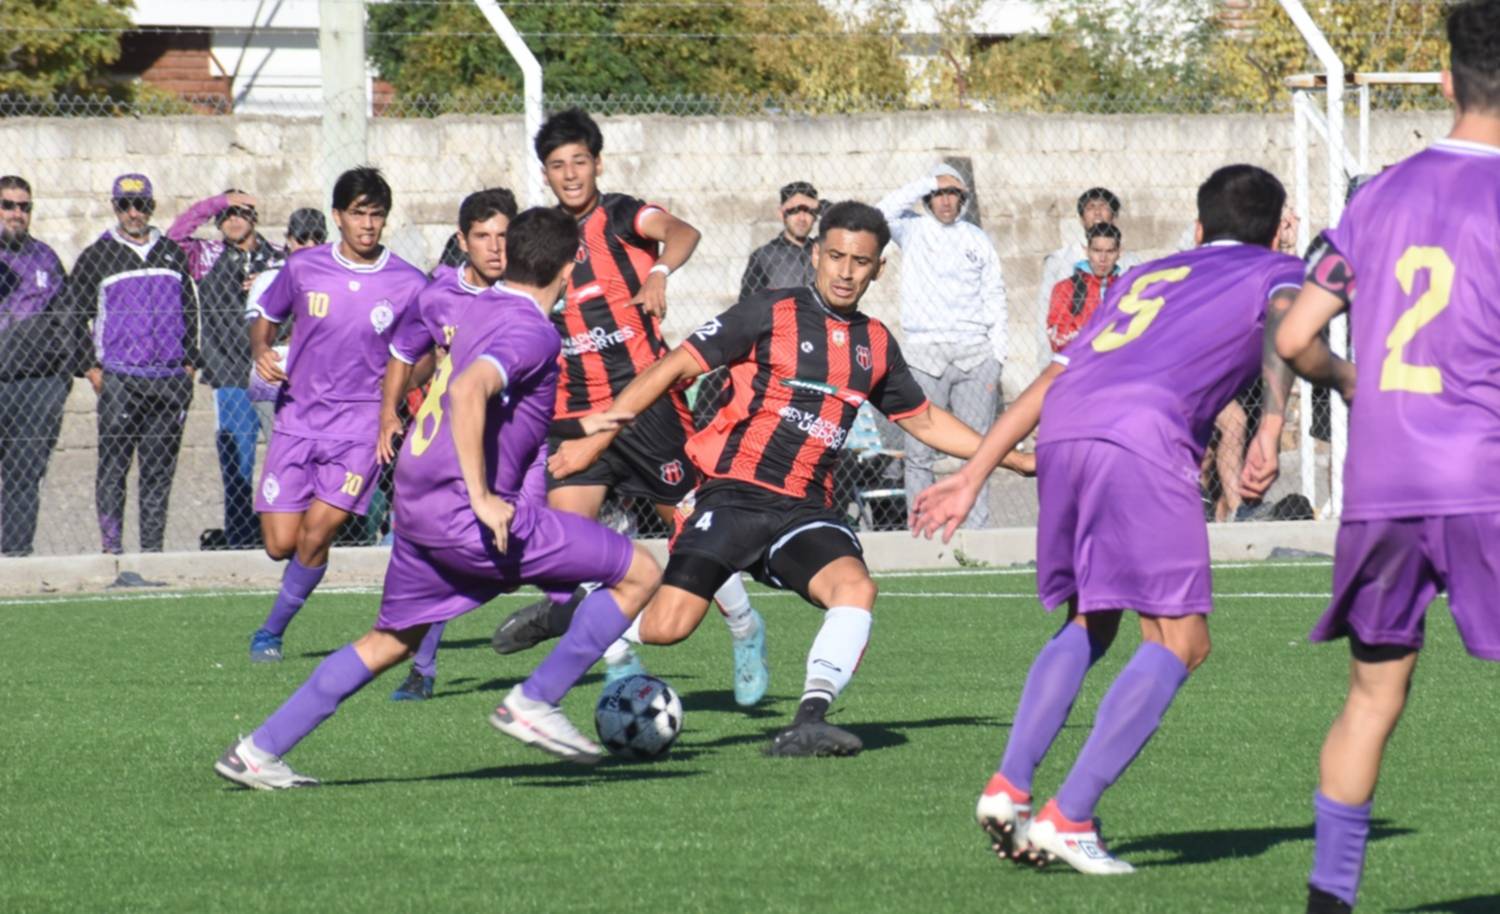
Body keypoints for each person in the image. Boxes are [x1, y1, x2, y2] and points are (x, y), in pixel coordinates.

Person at [912, 164, 1325, 874]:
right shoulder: (1276, 270)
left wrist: (975, 470)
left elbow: (1053, 375)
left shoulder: (1145, 277)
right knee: (1182, 640)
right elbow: (1291, 323)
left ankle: (1009, 786)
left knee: (1091, 617)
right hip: (1144, 436)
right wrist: (1269, 428)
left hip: (1068, 428)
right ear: (1275, 228)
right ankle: (1070, 817)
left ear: (1198, 227)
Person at [552, 201, 1029, 757]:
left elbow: (922, 420)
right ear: (816, 254)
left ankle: (809, 721)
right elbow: (673, 366)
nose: (846, 272)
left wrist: (1013, 458)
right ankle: (582, 612)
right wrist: (598, 436)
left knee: (855, 588)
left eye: (860, 262)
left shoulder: (875, 344)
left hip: (805, 510)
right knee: (668, 627)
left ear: (879, 269)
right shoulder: (768, 312)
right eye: (836, 256)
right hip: (732, 497)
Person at [215, 207, 661, 786]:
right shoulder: (534, 331)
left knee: (391, 641)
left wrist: (579, 424)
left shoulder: (483, 308)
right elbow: (470, 392)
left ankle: (258, 749)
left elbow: (490, 404)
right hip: (465, 515)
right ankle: (537, 700)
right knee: (640, 573)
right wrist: (482, 497)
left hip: (418, 508)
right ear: (571, 266)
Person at [1274, 4, 1500, 910]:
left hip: (1381, 485)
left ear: (1445, 81)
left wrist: (1352, 383)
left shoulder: (1377, 197)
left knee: (1371, 699)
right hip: (1483, 478)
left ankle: (1329, 900)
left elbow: (1294, 337)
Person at [489, 108, 770, 707]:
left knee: (694, 529)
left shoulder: (622, 216)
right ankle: (618, 660)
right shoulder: (539, 236)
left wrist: (660, 270)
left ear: (598, 164)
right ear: (545, 173)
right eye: (558, 165)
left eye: (579, 161)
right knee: (569, 542)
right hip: (577, 413)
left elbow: (682, 231)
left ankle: (746, 628)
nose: (570, 174)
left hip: (649, 407)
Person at [244, 167, 427, 663]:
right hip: (297, 419)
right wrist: (262, 350)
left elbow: (427, 354)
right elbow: (266, 319)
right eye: (358, 214)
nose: (367, 224)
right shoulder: (304, 268)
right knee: (280, 544)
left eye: (376, 215)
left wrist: (395, 394)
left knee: (318, 531)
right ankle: (295, 581)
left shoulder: (409, 283)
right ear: (337, 216)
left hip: (360, 429)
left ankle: (270, 632)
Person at [378, 186, 518, 701]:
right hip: (455, 449)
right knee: (443, 556)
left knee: (545, 547)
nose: (495, 248)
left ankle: (587, 635)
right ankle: (422, 666)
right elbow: (403, 351)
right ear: (463, 241)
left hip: (523, 442)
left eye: (504, 236)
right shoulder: (438, 295)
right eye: (483, 236)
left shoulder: (531, 291)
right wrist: (388, 415)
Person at [64, 173, 198, 554]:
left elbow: (191, 310)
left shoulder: (171, 252)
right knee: (114, 468)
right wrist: (91, 369)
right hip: (121, 380)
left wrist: (190, 363)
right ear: (115, 207)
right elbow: (74, 317)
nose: (134, 213)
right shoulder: (97, 256)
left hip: (168, 380)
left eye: (141, 205)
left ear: (151, 207)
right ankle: (112, 551)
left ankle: (152, 554)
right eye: (125, 205)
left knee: (158, 473)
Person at [877, 163, 1009, 529]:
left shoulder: (976, 238)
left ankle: (976, 534)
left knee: (977, 450)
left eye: (953, 193)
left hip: (975, 357)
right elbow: (878, 214)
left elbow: (995, 294)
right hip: (924, 356)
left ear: (963, 199)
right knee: (919, 453)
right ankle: (921, 530)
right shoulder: (912, 229)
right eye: (938, 194)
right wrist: (928, 181)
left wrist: (997, 356)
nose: (946, 201)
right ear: (927, 197)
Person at [173, 190, 283, 549]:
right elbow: (175, 237)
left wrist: (267, 284)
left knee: (286, 459)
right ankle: (240, 541)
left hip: (273, 375)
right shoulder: (207, 255)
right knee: (237, 466)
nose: (233, 220)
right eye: (226, 215)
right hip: (230, 375)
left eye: (240, 213)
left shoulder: (278, 257)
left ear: (254, 217)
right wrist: (217, 202)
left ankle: (284, 533)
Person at [0, 175, 70, 556]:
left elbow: (67, 319)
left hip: (37, 385)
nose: (17, 213)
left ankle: (14, 557)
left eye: (24, 207)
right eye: (8, 205)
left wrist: (60, 382)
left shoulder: (45, 257)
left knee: (24, 475)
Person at [245, 209, 327, 438]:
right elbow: (258, 332)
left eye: (317, 238)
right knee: (281, 448)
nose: (310, 244)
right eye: (302, 238)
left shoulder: (334, 279)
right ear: (289, 239)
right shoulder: (269, 278)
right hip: (278, 370)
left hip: (322, 376)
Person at [1037, 187, 1140, 359]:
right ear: (1081, 218)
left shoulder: (1132, 262)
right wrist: (1047, 362)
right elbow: (1045, 316)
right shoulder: (1059, 261)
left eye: (1104, 206)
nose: (1097, 212)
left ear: (1114, 216)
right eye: (1091, 207)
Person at [1046, 223, 1123, 353]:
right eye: (1097, 250)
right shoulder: (1066, 288)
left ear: (1119, 253)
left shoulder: (1126, 288)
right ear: (1087, 251)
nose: (1103, 259)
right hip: (1080, 362)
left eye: (1110, 251)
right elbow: (1058, 339)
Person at [739, 180, 819, 302]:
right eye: (795, 210)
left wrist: (822, 206)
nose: (802, 218)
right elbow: (747, 304)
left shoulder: (823, 253)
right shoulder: (764, 256)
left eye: (808, 211)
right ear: (782, 213)